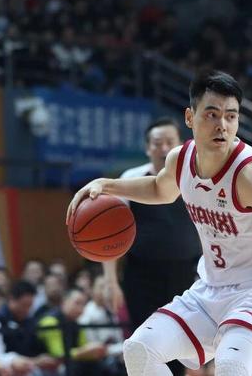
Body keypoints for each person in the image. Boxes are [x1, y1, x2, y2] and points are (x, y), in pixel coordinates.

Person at [67, 70, 252, 376]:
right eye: (212, 114)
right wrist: (106, 185)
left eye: (231, 116)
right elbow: (159, 188)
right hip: (210, 289)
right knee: (139, 349)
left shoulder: (250, 176)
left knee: (231, 366)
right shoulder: (180, 159)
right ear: (189, 117)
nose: (222, 125)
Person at [102, 116, 201, 376]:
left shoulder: (194, 179)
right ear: (148, 148)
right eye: (157, 143)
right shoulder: (131, 178)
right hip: (141, 275)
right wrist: (110, 281)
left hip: (185, 275)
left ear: (180, 145)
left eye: (170, 141)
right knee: (143, 344)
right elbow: (108, 235)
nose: (164, 148)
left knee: (180, 346)